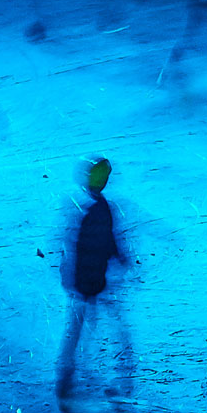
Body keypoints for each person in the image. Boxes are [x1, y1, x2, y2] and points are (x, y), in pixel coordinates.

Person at [55, 157, 137, 399]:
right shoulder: (98, 211)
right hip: (91, 279)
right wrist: (120, 257)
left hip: (89, 279)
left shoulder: (92, 211)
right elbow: (102, 241)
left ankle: (68, 365)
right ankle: (70, 365)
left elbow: (80, 244)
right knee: (86, 321)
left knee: (81, 321)